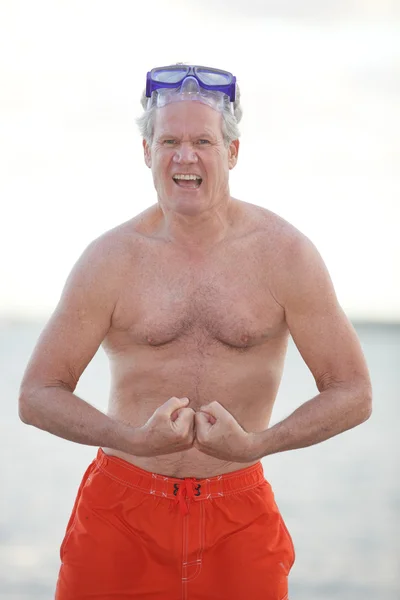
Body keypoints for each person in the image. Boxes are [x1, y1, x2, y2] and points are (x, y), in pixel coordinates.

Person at [19, 64, 372, 600]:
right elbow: (37, 394)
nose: (185, 156)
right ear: (146, 152)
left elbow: (353, 391)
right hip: (121, 512)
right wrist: (131, 439)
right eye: (169, 141)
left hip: (238, 514)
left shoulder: (285, 255)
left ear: (231, 152)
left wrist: (258, 444)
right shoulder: (110, 260)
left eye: (202, 141)